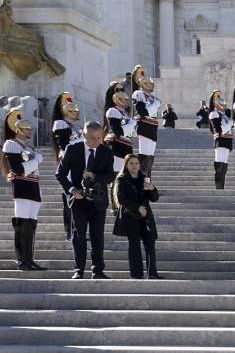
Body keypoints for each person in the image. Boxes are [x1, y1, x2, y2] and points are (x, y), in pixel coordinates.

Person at [55, 121, 116, 279]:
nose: (96, 141)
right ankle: (79, 270)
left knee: (98, 236)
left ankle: (98, 270)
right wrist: (72, 190)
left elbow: (111, 176)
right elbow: (60, 174)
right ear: (84, 136)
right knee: (78, 235)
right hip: (78, 200)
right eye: (92, 138)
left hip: (98, 200)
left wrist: (95, 177)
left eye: (98, 138)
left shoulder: (107, 152)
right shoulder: (72, 149)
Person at [3, 108, 46, 271]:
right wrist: (36, 161)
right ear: (18, 130)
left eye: (30, 128)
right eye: (27, 129)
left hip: (33, 187)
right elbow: (18, 169)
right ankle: (21, 259)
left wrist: (35, 160)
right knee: (21, 224)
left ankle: (29, 258)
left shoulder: (28, 147)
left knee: (31, 224)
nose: (30, 131)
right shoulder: (12, 144)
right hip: (21, 187)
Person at [112, 154, 160, 279]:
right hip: (130, 216)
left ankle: (152, 273)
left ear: (140, 165)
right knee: (134, 245)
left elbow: (154, 198)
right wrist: (137, 208)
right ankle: (137, 275)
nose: (134, 166)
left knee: (150, 243)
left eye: (136, 163)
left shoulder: (144, 178)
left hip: (146, 216)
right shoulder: (122, 179)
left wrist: (152, 189)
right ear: (126, 165)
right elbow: (122, 199)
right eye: (131, 163)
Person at [50, 91, 82, 239]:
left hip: (79, 163)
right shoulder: (60, 123)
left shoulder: (75, 126)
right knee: (69, 196)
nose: (75, 113)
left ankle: (77, 228)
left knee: (78, 197)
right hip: (68, 163)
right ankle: (70, 230)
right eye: (72, 111)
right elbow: (63, 145)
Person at [130, 65, 162, 178]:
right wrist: (155, 105)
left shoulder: (151, 97)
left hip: (152, 127)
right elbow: (142, 111)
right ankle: (142, 181)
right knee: (144, 156)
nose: (151, 85)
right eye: (148, 83)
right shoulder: (139, 94)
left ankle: (147, 181)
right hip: (144, 126)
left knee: (150, 157)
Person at [103, 81, 137, 175]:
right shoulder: (112, 111)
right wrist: (131, 124)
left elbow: (131, 133)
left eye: (122, 90)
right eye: (117, 90)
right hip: (117, 146)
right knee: (117, 175)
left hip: (126, 145)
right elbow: (117, 131)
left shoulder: (124, 113)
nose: (121, 92)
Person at [207, 90, 234, 189]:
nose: (222, 102)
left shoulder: (224, 115)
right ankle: (218, 187)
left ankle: (221, 186)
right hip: (221, 141)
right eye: (219, 99)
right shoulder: (214, 114)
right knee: (219, 164)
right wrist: (230, 124)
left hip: (227, 141)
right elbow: (219, 130)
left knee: (224, 165)